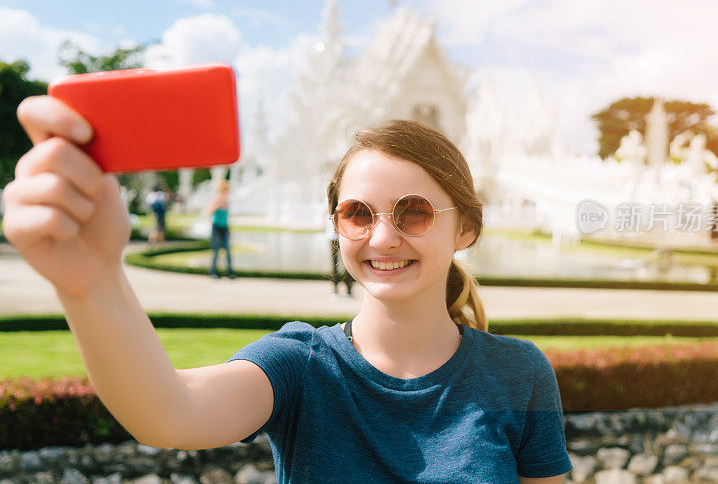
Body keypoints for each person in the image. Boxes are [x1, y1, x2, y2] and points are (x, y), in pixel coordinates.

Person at [2, 97, 572, 483]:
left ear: (465, 229)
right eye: (357, 213)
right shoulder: (302, 366)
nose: (382, 236)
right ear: (335, 223)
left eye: (415, 213)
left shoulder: (519, 372)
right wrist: (93, 282)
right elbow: (167, 414)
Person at [203, 179, 235, 279]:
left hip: (224, 227)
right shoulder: (216, 199)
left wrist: (229, 229)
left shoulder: (227, 201)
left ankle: (230, 272)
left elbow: (226, 217)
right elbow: (208, 213)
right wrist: (217, 206)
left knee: (228, 251)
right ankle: (213, 271)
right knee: (216, 250)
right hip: (216, 227)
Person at [325, 215, 354, 296]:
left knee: (347, 263)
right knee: (336, 264)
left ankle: (347, 289)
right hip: (334, 237)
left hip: (343, 236)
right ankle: (336, 288)